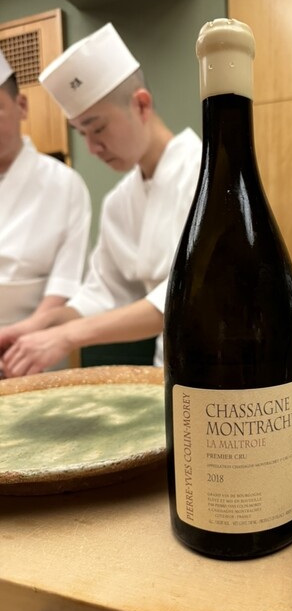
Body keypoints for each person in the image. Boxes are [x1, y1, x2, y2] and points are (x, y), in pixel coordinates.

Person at [0, 23, 202, 378]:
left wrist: (66, 336)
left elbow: (186, 297)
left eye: (98, 128)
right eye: (82, 133)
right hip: (167, 368)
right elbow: (100, 294)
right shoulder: (119, 202)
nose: (92, 148)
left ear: (141, 105)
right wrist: (39, 325)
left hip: (226, 366)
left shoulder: (206, 172)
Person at [0, 47, 91, 370]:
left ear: (21, 106)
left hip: (31, 351)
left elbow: (65, 282)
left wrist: (17, 345)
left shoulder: (65, 184)